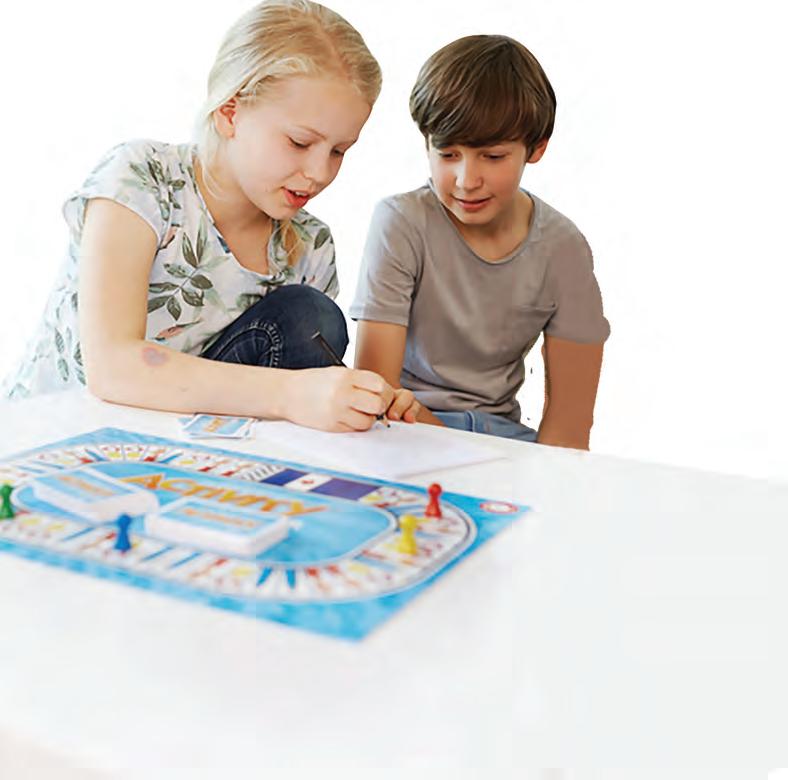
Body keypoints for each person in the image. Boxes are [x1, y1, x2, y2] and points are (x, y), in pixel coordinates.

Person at [2, 0, 418, 432]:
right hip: (56, 437)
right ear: (229, 114)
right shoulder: (143, 179)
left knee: (311, 316)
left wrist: (358, 397)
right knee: (307, 320)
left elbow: (307, 379)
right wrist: (293, 393)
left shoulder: (310, 246)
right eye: (299, 143)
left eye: (338, 151)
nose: (319, 172)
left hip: (186, 446)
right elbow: (113, 368)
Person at [350, 34, 610, 449]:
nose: (467, 181)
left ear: (536, 148)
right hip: (408, 426)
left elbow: (570, 428)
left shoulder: (564, 248)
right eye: (448, 154)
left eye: (492, 156)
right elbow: (375, 391)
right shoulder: (401, 222)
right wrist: (447, 445)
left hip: (503, 440)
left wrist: (533, 478)